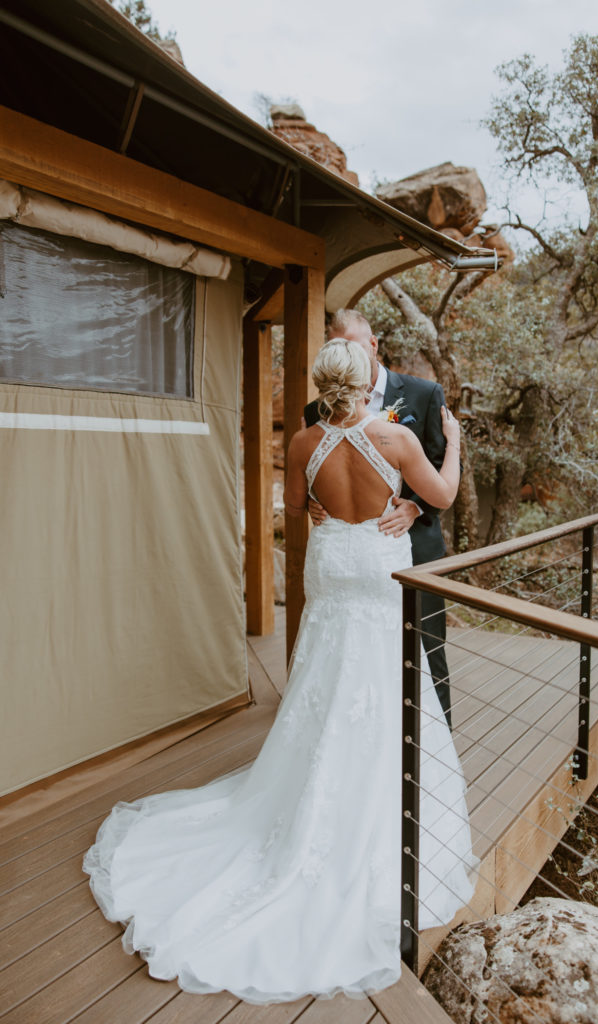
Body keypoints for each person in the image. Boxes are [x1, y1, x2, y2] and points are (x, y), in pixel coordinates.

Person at [83, 339, 475, 1003]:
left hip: (330, 562)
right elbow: (442, 491)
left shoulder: (301, 441)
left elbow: (296, 507)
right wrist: (455, 442)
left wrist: (326, 504)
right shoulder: (396, 438)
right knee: (380, 676)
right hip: (377, 566)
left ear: (323, 385)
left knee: (325, 676)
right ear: (366, 384)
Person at [304, 309, 454, 728]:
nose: (346, 357)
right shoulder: (313, 410)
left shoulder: (424, 395)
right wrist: (316, 500)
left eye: (352, 346)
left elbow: (440, 465)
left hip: (416, 546)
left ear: (373, 345)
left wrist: (415, 505)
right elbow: (318, 469)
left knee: (428, 648)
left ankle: (437, 748)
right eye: (336, 349)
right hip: (351, 557)